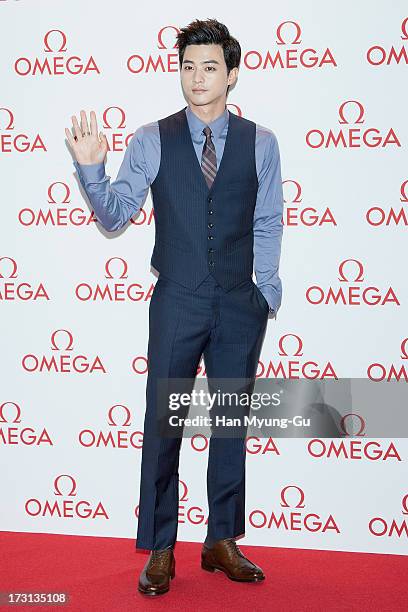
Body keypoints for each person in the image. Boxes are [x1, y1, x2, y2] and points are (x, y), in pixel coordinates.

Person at [65, 18, 283, 597]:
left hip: (241, 303)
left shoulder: (261, 142)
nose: (197, 78)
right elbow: (114, 215)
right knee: (164, 426)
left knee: (230, 423)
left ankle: (221, 540)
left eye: (210, 67)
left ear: (232, 75)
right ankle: (161, 546)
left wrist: (269, 291)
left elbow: (268, 222)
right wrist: (91, 168)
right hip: (178, 301)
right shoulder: (150, 138)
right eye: (188, 67)